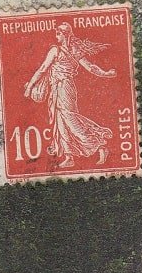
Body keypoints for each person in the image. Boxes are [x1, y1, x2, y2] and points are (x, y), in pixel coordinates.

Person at [23, 22, 116, 169]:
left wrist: (30, 86)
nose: (56, 36)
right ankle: (69, 156)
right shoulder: (72, 50)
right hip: (58, 88)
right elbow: (90, 67)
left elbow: (42, 69)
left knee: (70, 119)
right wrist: (105, 73)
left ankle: (98, 145)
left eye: (58, 33)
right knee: (60, 121)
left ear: (65, 34)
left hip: (64, 87)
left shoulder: (59, 50)